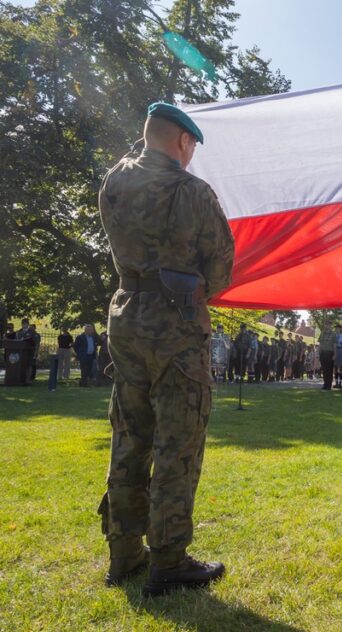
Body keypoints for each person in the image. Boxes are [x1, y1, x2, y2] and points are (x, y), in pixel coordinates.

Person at [96, 102, 234, 596]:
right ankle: (169, 561)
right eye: (192, 146)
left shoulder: (113, 182)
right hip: (176, 326)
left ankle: (123, 554)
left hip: (126, 317)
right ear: (182, 142)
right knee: (177, 445)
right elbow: (220, 270)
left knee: (129, 437)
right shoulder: (192, 192)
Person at [320, 323, 339, 390]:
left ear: (330, 326)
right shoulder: (322, 333)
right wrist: (318, 353)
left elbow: (334, 345)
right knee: (324, 370)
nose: (327, 325)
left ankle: (329, 385)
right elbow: (320, 344)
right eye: (326, 324)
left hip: (330, 353)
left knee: (329, 370)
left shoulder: (333, 334)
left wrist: (335, 354)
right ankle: (325, 384)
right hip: (322, 353)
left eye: (328, 324)